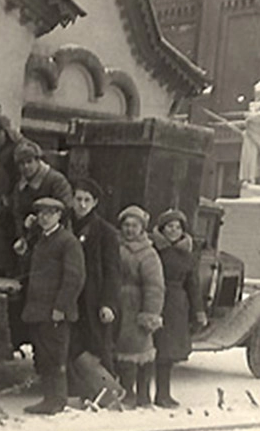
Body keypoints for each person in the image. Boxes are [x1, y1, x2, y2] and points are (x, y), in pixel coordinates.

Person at [19, 198, 86, 414]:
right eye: (41, 214)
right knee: (44, 355)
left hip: (54, 312)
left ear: (59, 216)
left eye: (50, 213)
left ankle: (56, 400)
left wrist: (61, 307)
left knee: (56, 356)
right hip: (39, 310)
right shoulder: (41, 240)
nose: (44, 218)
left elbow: (74, 277)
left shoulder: (68, 242)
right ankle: (50, 398)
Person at [151, 209, 207, 407]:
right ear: (162, 229)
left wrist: (198, 312)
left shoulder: (188, 255)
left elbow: (193, 284)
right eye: (169, 227)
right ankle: (145, 394)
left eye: (177, 228)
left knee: (168, 352)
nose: (173, 231)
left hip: (177, 306)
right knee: (152, 350)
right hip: (156, 301)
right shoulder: (154, 250)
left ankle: (163, 394)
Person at [69, 177, 121, 376]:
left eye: (87, 200)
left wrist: (108, 303)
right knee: (70, 345)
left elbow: (112, 271)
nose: (82, 205)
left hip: (93, 298)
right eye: (78, 199)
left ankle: (106, 392)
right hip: (70, 296)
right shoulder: (65, 225)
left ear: (95, 202)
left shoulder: (106, 233)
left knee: (97, 345)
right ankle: (75, 389)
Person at [115, 205, 165, 409]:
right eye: (126, 225)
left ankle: (142, 395)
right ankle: (127, 391)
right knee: (121, 350)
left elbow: (155, 286)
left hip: (137, 306)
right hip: (119, 305)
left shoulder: (148, 253)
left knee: (141, 350)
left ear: (142, 228)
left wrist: (150, 313)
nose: (129, 230)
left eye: (134, 226)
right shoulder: (116, 247)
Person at [11, 140, 73, 270]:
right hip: (30, 243)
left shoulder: (56, 180)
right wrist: (21, 236)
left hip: (55, 240)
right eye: (21, 164)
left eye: (29, 162)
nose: (26, 167)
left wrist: (40, 220)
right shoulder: (20, 187)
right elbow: (17, 213)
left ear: (38, 161)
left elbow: (66, 208)